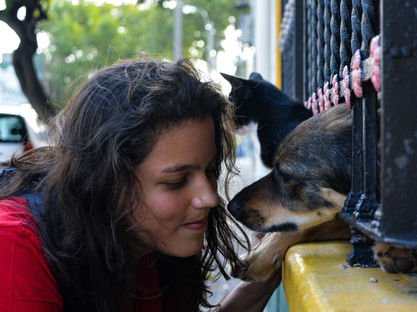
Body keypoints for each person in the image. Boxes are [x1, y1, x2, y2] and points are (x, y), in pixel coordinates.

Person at [0, 58, 280, 311]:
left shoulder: (145, 239)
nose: (210, 197)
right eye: (176, 181)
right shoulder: (13, 250)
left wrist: (265, 272)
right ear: (107, 183)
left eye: (209, 171)